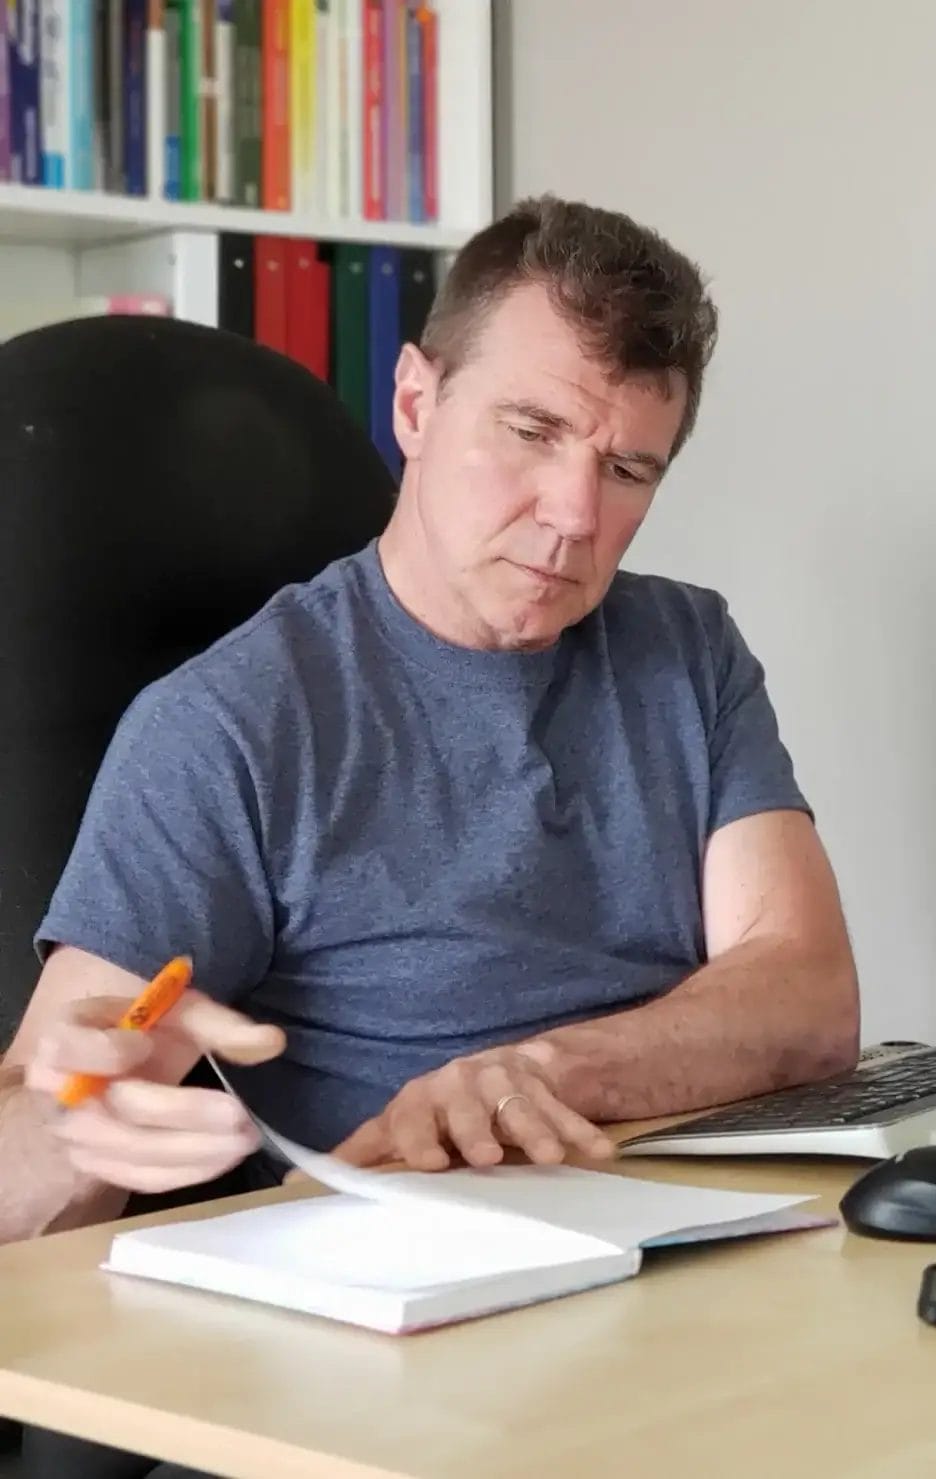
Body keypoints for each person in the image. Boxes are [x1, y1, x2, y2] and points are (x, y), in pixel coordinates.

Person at [0, 194, 861, 1258]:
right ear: (416, 403)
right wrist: (77, 1132)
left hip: (699, 1230)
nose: (575, 515)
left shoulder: (687, 647)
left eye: (628, 469)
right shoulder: (223, 725)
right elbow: (32, 1152)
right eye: (531, 432)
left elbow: (807, 997)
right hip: (410, 1288)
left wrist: (532, 1079)